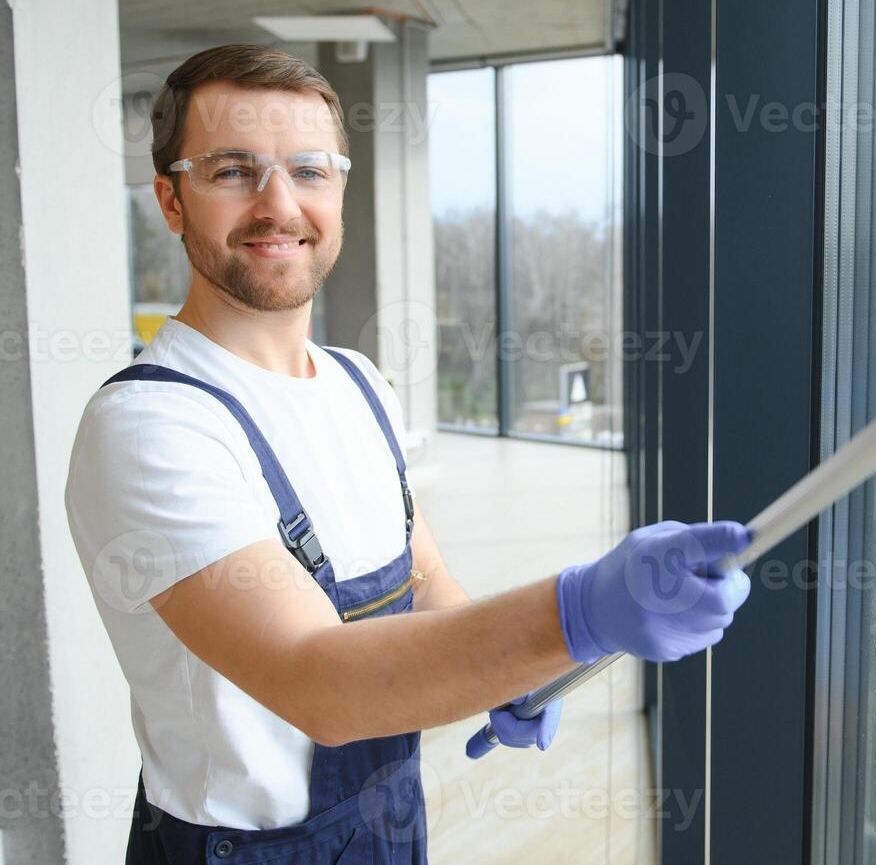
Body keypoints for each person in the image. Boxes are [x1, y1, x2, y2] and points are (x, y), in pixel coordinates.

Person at [63, 44, 751, 864]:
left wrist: (520, 665)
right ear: (172, 202)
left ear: (340, 189)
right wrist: (577, 614)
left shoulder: (358, 383)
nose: (279, 204)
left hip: (387, 831)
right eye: (233, 171)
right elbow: (318, 681)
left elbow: (422, 579)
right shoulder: (150, 426)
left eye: (309, 170)